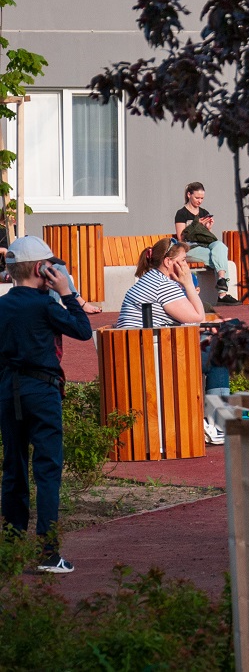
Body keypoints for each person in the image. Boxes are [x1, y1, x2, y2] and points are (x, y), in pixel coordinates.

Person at [0, 236, 94, 574]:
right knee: (48, 471)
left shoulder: (3, 305)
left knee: (13, 469)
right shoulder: (45, 305)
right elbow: (83, 331)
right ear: (43, 269)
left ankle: (10, 549)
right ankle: (48, 552)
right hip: (42, 391)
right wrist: (68, 292)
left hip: (8, 391)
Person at [116, 239, 223, 444]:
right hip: (152, 359)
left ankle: (211, 421)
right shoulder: (163, 285)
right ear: (167, 262)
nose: (186, 265)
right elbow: (198, 316)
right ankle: (218, 423)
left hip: (135, 353)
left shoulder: (148, 280)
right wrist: (188, 284)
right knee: (218, 356)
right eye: (182, 260)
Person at [174, 182, 232, 298]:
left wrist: (208, 229)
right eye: (197, 198)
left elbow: (207, 238)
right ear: (189, 195)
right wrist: (196, 224)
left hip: (205, 245)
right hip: (189, 248)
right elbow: (181, 237)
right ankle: (223, 295)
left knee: (220, 246)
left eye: (202, 198)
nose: (199, 201)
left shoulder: (204, 213)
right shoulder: (181, 213)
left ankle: (221, 279)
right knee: (218, 258)